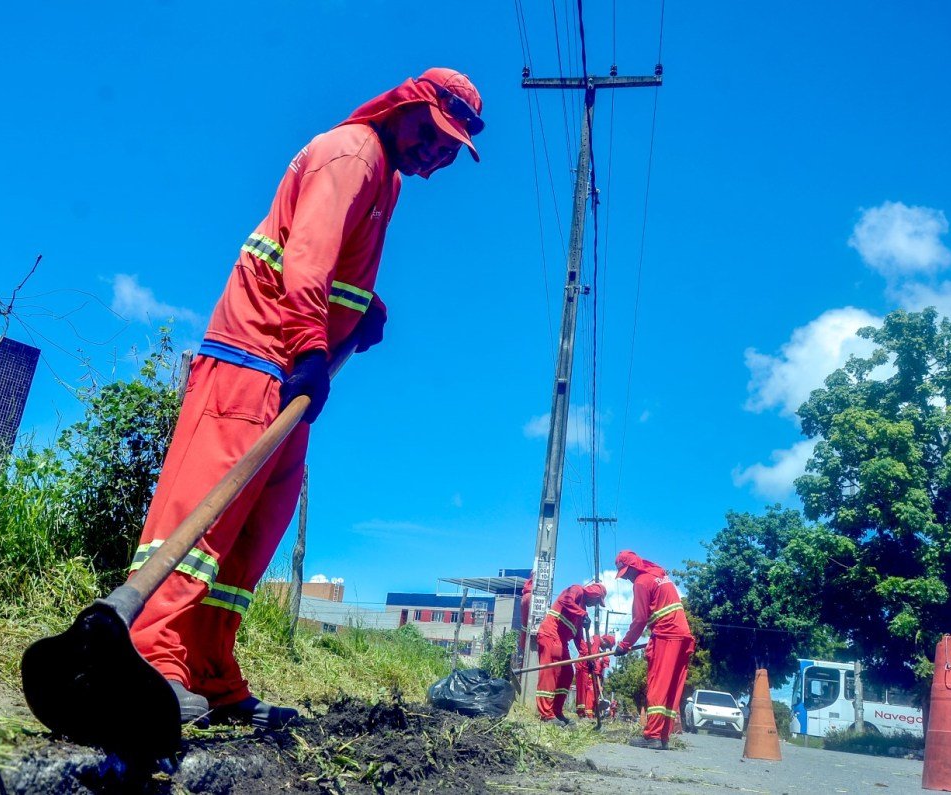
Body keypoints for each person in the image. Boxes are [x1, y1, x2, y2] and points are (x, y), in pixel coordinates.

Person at [125, 68, 485, 728]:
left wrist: (362, 308)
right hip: (255, 359)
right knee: (206, 515)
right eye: (431, 135)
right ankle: (150, 656)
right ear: (404, 109)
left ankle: (206, 665)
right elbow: (308, 260)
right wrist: (313, 347)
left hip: (288, 371)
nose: (437, 153)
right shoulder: (352, 155)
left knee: (254, 532)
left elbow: (333, 263)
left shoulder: (388, 179)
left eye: (450, 147)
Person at [612, 550, 694, 750]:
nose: (627, 578)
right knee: (671, 688)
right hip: (683, 635)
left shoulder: (641, 582)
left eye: (626, 573)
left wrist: (624, 645)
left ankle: (652, 736)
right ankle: (663, 736)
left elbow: (639, 619)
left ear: (632, 568)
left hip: (666, 635)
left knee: (658, 684)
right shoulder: (659, 575)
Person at [535, 582, 607, 725]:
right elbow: (565, 600)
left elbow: (579, 639)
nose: (595, 604)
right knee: (550, 673)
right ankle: (546, 715)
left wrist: (589, 658)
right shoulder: (576, 590)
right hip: (550, 634)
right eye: (597, 601)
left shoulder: (581, 612)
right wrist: (583, 614)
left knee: (567, 673)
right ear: (594, 594)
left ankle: (556, 711)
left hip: (562, 642)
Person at [574, 632, 615, 718]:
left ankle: (586, 714)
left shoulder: (597, 645)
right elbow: (590, 656)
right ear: (606, 642)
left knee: (587, 693)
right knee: (583, 692)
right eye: (607, 646)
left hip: (587, 669)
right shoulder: (596, 640)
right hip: (582, 666)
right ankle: (581, 713)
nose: (605, 648)